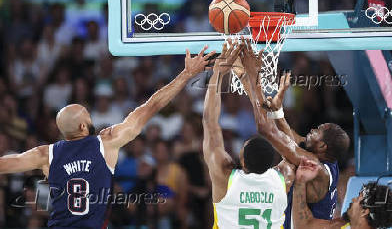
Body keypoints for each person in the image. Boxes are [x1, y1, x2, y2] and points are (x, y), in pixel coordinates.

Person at [0, 46, 215, 228]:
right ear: (83, 125)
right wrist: (186, 74)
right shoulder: (106, 143)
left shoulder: (46, 154)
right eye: (87, 113)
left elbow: (8, 164)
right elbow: (151, 106)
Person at [237, 39, 350, 228]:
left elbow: (266, 129)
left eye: (317, 131)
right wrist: (277, 110)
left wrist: (253, 75)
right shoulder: (322, 160)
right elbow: (290, 138)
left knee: (286, 167)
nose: (312, 130)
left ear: (323, 146)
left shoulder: (314, 166)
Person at [202, 40, 295, 228]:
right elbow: (291, 150)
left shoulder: (225, 178)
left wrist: (219, 73)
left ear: (242, 160)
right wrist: (248, 80)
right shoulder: (283, 179)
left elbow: (210, 123)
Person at [293, 159, 392, 229]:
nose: (353, 199)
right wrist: (300, 181)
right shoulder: (341, 224)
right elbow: (303, 225)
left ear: (365, 211)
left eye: (358, 198)